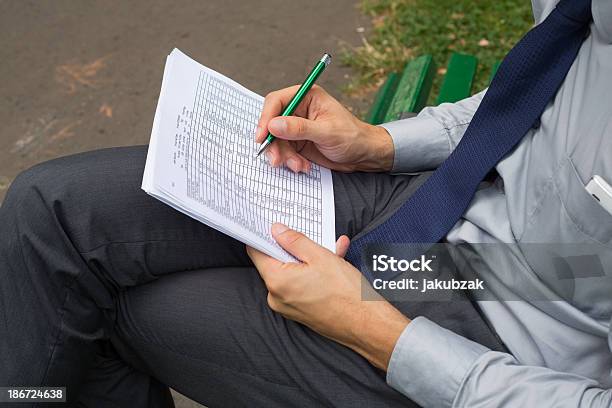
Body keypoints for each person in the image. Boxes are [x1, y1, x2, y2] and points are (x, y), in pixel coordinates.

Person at [1, 0, 611, 406]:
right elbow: (539, 93)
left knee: (111, 315)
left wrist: (370, 328)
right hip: (472, 218)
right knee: (50, 211)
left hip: (507, 326)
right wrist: (377, 143)